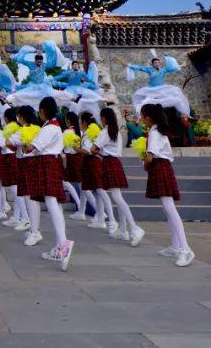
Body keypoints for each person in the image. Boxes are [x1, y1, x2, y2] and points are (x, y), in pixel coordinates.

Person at [22, 97, 74, 271]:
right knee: (55, 205)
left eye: (40, 110)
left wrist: (25, 144)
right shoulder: (54, 126)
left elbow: (32, 148)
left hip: (47, 163)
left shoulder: (50, 127)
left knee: (52, 203)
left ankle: (64, 244)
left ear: (43, 111)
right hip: (50, 163)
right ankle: (60, 246)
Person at [139, 103, 194, 267]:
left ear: (148, 117)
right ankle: (176, 246)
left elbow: (150, 157)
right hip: (162, 167)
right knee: (167, 207)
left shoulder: (155, 132)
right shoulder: (158, 130)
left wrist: (145, 165)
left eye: (142, 116)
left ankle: (185, 249)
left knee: (170, 208)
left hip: (160, 167)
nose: (141, 119)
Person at [95, 107, 143, 245]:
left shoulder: (105, 132)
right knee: (118, 196)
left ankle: (134, 228)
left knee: (117, 197)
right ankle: (122, 229)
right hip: (115, 162)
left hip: (109, 162)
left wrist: (94, 152)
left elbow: (93, 149)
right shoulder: (115, 131)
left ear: (104, 118)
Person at [121, 53, 190, 120]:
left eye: (158, 62)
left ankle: (182, 114)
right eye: (155, 63)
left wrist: (181, 65)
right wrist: (128, 65)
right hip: (152, 90)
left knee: (175, 98)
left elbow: (173, 68)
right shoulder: (149, 69)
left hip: (161, 89)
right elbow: (140, 68)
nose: (157, 64)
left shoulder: (163, 70)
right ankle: (143, 117)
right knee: (145, 102)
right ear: (153, 64)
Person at [5, 105, 38, 232]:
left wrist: (10, 134)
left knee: (25, 193)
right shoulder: (38, 129)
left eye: (19, 116)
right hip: (34, 160)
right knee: (30, 193)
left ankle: (27, 220)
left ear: (23, 117)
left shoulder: (22, 130)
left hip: (24, 161)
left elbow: (8, 142)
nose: (18, 118)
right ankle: (29, 221)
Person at [8, 43, 67, 108]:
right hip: (33, 85)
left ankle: (71, 98)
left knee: (54, 94)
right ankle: (10, 101)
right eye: (38, 62)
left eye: (40, 62)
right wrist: (26, 51)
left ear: (42, 61)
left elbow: (52, 63)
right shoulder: (30, 64)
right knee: (23, 94)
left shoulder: (44, 65)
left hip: (43, 86)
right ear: (35, 61)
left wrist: (50, 49)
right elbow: (20, 60)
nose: (39, 63)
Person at [0, 108, 22, 228]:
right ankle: (17, 216)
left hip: (8, 157)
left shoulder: (9, 128)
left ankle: (22, 217)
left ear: (6, 118)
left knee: (14, 188)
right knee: (15, 188)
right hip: (13, 156)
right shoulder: (17, 128)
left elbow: (1, 143)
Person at [61, 111, 86, 218]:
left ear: (68, 120)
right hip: (78, 158)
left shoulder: (67, 131)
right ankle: (81, 208)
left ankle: (80, 206)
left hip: (70, 158)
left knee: (66, 181)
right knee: (81, 185)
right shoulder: (79, 131)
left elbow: (61, 145)